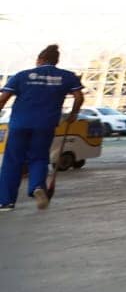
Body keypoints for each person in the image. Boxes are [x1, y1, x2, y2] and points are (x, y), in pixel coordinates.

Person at [0, 45, 84, 212]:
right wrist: (73, 114)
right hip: (45, 125)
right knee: (38, 158)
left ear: (39, 60)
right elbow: (79, 96)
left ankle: (6, 202)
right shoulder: (67, 76)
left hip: (19, 124)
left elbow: (3, 99)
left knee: (12, 161)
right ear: (56, 61)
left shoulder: (22, 75)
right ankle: (37, 186)